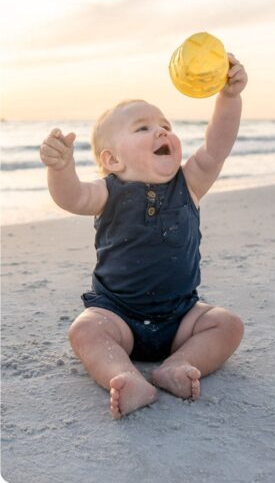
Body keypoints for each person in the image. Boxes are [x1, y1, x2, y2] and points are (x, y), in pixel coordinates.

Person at [39, 54, 248, 419]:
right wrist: (60, 169)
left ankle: (179, 364)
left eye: (165, 125)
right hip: (119, 314)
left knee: (227, 324)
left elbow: (217, 147)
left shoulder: (190, 184)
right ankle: (123, 375)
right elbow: (71, 196)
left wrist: (228, 97)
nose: (161, 132)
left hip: (181, 315)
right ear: (113, 160)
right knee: (85, 330)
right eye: (143, 129)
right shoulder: (107, 192)